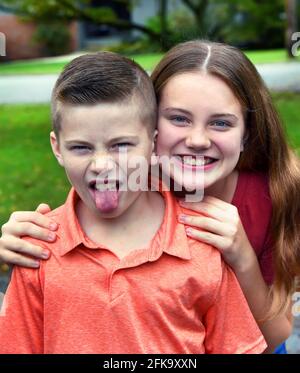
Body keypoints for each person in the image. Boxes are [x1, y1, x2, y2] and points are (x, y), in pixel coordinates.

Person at [0, 40, 298, 352]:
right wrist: (19, 238)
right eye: (179, 118)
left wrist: (242, 256)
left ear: (246, 132)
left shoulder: (274, 193)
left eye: (221, 122)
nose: (197, 140)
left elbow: (276, 334)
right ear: (151, 127)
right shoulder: (128, 180)